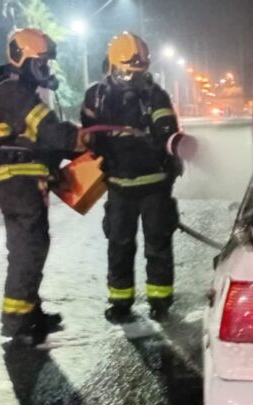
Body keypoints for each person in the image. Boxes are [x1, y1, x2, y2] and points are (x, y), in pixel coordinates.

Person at [0, 28, 82, 344]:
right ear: (20, 58)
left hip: (25, 185)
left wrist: (75, 145)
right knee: (27, 251)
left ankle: (30, 313)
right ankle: (15, 321)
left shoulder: (19, 90)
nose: (46, 69)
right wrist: (82, 138)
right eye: (41, 62)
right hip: (19, 186)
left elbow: (46, 141)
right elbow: (48, 131)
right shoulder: (11, 92)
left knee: (32, 248)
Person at [81, 32, 182, 323]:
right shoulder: (96, 97)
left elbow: (167, 131)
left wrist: (171, 145)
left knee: (158, 245)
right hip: (118, 186)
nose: (134, 79)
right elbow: (86, 136)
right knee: (119, 245)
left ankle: (160, 302)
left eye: (140, 72)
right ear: (113, 66)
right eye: (128, 72)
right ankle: (120, 302)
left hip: (154, 186)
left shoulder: (156, 96)